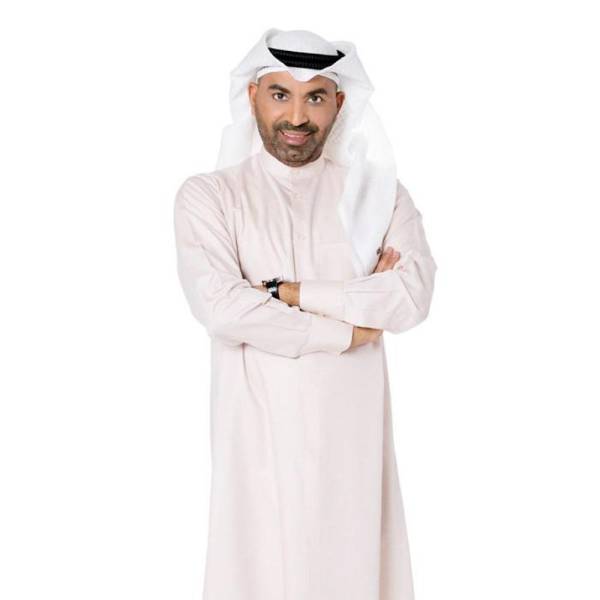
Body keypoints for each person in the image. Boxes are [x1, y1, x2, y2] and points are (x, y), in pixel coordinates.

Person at [173, 27, 437, 600]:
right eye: (280, 95)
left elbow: (411, 298)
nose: (297, 116)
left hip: (351, 442)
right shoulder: (209, 197)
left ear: (338, 103)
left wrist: (288, 293)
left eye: (315, 97)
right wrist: (350, 327)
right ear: (253, 96)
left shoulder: (379, 197)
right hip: (257, 442)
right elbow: (223, 308)